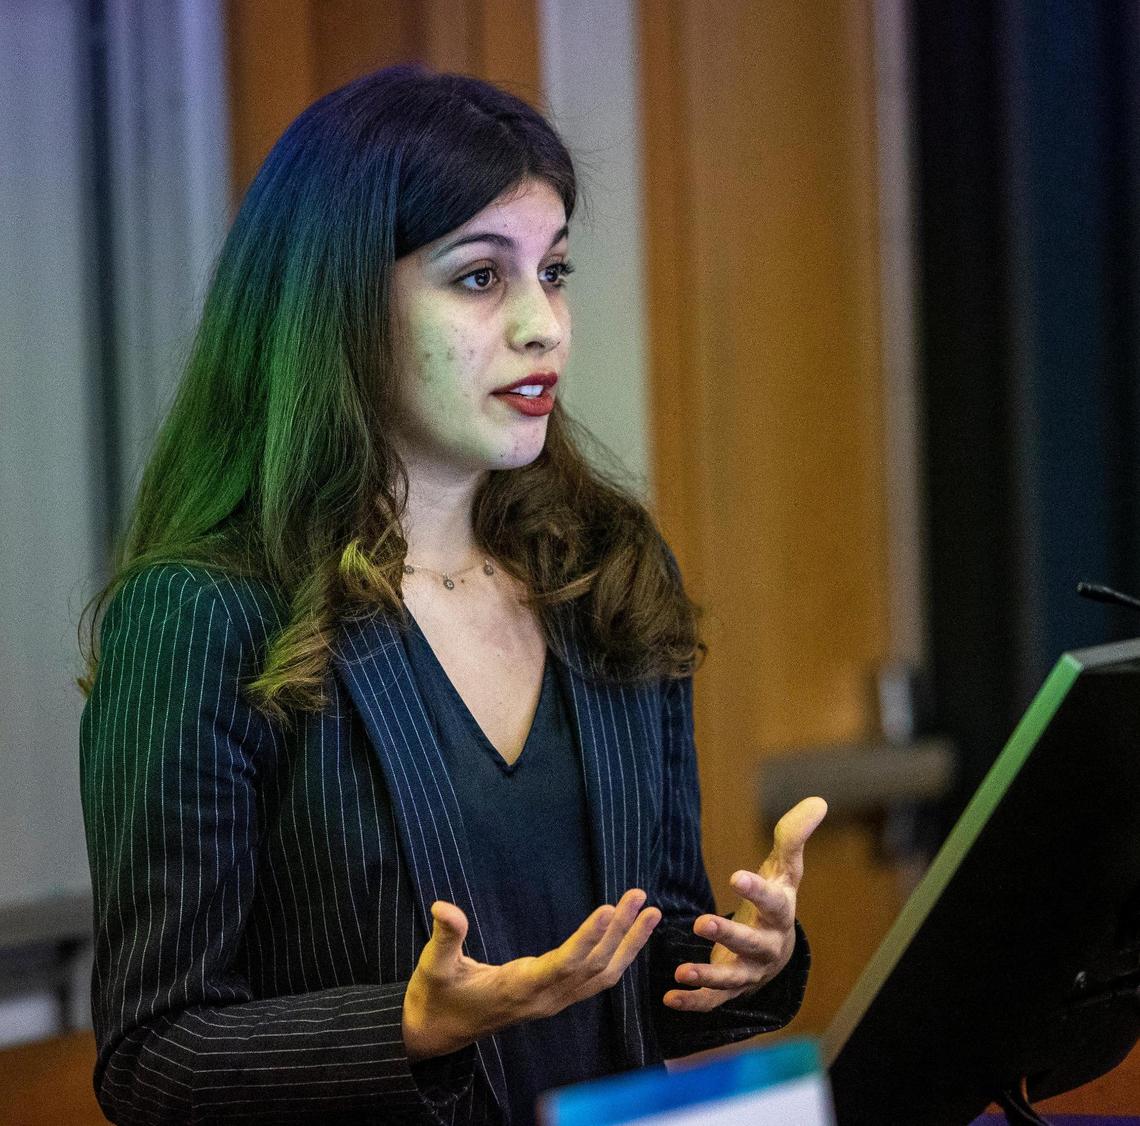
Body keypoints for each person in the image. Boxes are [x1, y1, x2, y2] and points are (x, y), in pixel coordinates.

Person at [77, 62, 827, 1126]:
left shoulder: (609, 568)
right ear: (338, 301)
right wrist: (409, 1026)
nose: (545, 326)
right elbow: (153, 1056)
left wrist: (740, 964)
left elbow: (646, 978)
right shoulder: (204, 612)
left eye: (555, 271)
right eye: (481, 278)